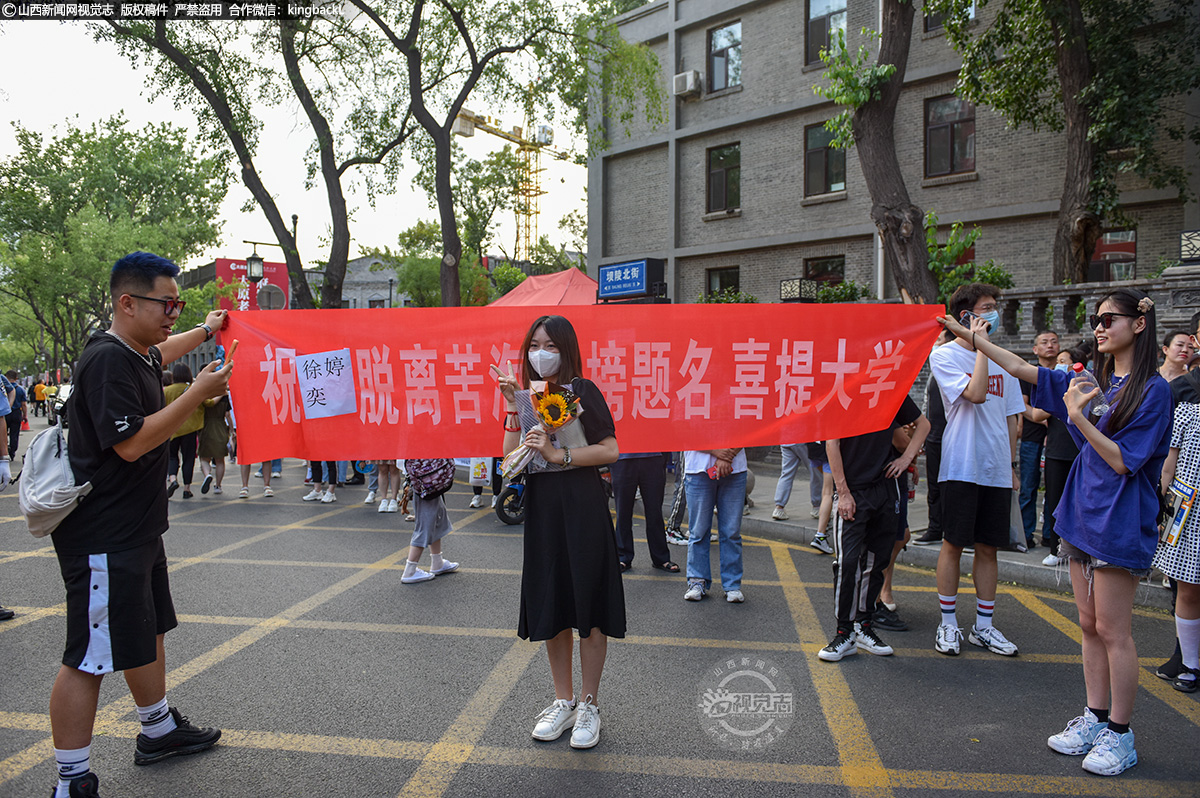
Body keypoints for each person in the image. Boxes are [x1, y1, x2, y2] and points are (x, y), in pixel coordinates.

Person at [940, 287, 1171, 777]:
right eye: (1096, 319)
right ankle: (1095, 716)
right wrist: (974, 340)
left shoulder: (1153, 390)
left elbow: (1125, 460)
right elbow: (1026, 371)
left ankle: (1121, 735)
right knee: (1088, 626)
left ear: (1140, 324)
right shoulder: (1096, 375)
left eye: (1111, 318)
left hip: (1119, 519)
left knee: (1114, 631)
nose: (1100, 326)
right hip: (1081, 514)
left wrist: (1078, 416)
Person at [48, 252, 229, 798]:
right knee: (89, 654)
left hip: (137, 529)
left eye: (179, 304)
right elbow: (129, 444)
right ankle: (71, 780)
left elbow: (167, 349)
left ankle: (158, 729)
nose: (173, 313)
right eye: (166, 303)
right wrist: (197, 392)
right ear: (127, 303)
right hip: (104, 534)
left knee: (147, 628)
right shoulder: (107, 361)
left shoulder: (139, 352)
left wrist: (206, 330)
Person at [493, 314, 623, 750]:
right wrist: (513, 406)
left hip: (583, 506)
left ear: (566, 349)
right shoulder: (527, 396)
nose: (539, 353)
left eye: (548, 344)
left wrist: (558, 453)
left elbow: (611, 449)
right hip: (544, 510)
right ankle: (563, 701)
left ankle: (589, 705)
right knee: (553, 603)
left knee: (588, 604)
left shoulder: (582, 391)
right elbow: (509, 461)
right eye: (533, 345)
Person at [929, 283, 1025, 658]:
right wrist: (980, 347)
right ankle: (948, 623)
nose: (993, 314)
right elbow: (976, 394)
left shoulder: (1005, 358)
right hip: (961, 465)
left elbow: (1012, 417)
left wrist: (1012, 466)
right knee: (953, 543)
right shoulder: (945, 356)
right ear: (967, 316)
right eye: (986, 308)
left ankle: (984, 626)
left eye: (995, 307)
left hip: (996, 467)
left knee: (989, 547)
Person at [819, 395, 928, 662]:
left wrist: (906, 459)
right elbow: (831, 444)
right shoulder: (840, 393)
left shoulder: (891, 390)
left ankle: (863, 626)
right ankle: (844, 632)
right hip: (853, 491)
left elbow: (923, 425)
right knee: (848, 563)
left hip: (885, 490)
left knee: (876, 561)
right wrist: (843, 492)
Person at [1154, 363, 1200, 692]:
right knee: (1186, 587)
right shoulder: (1186, 409)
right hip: (1188, 509)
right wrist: (1161, 511)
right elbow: (1168, 466)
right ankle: (1190, 663)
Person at [682, 446, 748, 604]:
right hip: (697, 468)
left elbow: (747, 428)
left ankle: (732, 584)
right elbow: (684, 428)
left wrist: (726, 456)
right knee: (698, 531)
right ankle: (697, 581)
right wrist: (716, 452)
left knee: (731, 531)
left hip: (735, 467)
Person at [1040, 349, 1082, 567]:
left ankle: (1077, 549)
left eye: (1063, 362)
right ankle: (1056, 549)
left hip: (1079, 452)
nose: (1059, 365)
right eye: (1057, 362)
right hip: (1056, 451)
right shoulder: (1058, 389)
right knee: (1055, 502)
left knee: (1079, 503)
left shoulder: (1087, 387)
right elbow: (1039, 414)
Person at [1018, 331, 1061, 549]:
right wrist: (1041, 416)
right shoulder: (1029, 373)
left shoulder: (1064, 373)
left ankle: (1049, 535)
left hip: (1057, 439)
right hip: (1032, 437)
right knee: (1028, 486)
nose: (1050, 346)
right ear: (1036, 349)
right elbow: (1022, 406)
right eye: (1044, 342)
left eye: (1054, 342)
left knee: (1054, 489)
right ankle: (1025, 533)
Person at [913, 330, 951, 545]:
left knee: (952, 486)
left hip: (953, 437)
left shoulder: (956, 369)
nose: (934, 345)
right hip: (934, 436)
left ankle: (954, 530)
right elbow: (928, 407)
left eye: (938, 340)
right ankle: (935, 527)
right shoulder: (934, 372)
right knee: (934, 485)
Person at [611, 451, 677, 573]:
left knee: (655, 511)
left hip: (653, 456)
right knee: (623, 511)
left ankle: (660, 558)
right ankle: (623, 556)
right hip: (623, 457)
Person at [398, 469, 461, 584]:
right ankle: (410, 570)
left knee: (436, 519)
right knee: (425, 525)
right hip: (425, 481)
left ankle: (437, 562)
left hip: (427, 480)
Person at [163, 364, 205, 499]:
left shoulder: (167, 391)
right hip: (190, 429)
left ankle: (173, 480)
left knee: (172, 457)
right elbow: (207, 403)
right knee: (188, 459)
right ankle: (187, 489)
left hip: (171, 429)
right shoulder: (192, 390)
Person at [197, 390, 231, 495]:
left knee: (204, 458)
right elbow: (227, 414)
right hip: (220, 427)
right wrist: (231, 430)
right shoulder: (224, 395)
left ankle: (207, 475)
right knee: (220, 460)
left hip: (206, 427)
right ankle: (218, 486)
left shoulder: (204, 393)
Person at [2, 369, 21, 459]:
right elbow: (24, 404)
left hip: (6, 413)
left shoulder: (2, 381)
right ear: (16, 378)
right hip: (16, 413)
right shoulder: (20, 389)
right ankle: (12, 452)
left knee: (4, 433)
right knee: (14, 434)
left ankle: (6, 453)